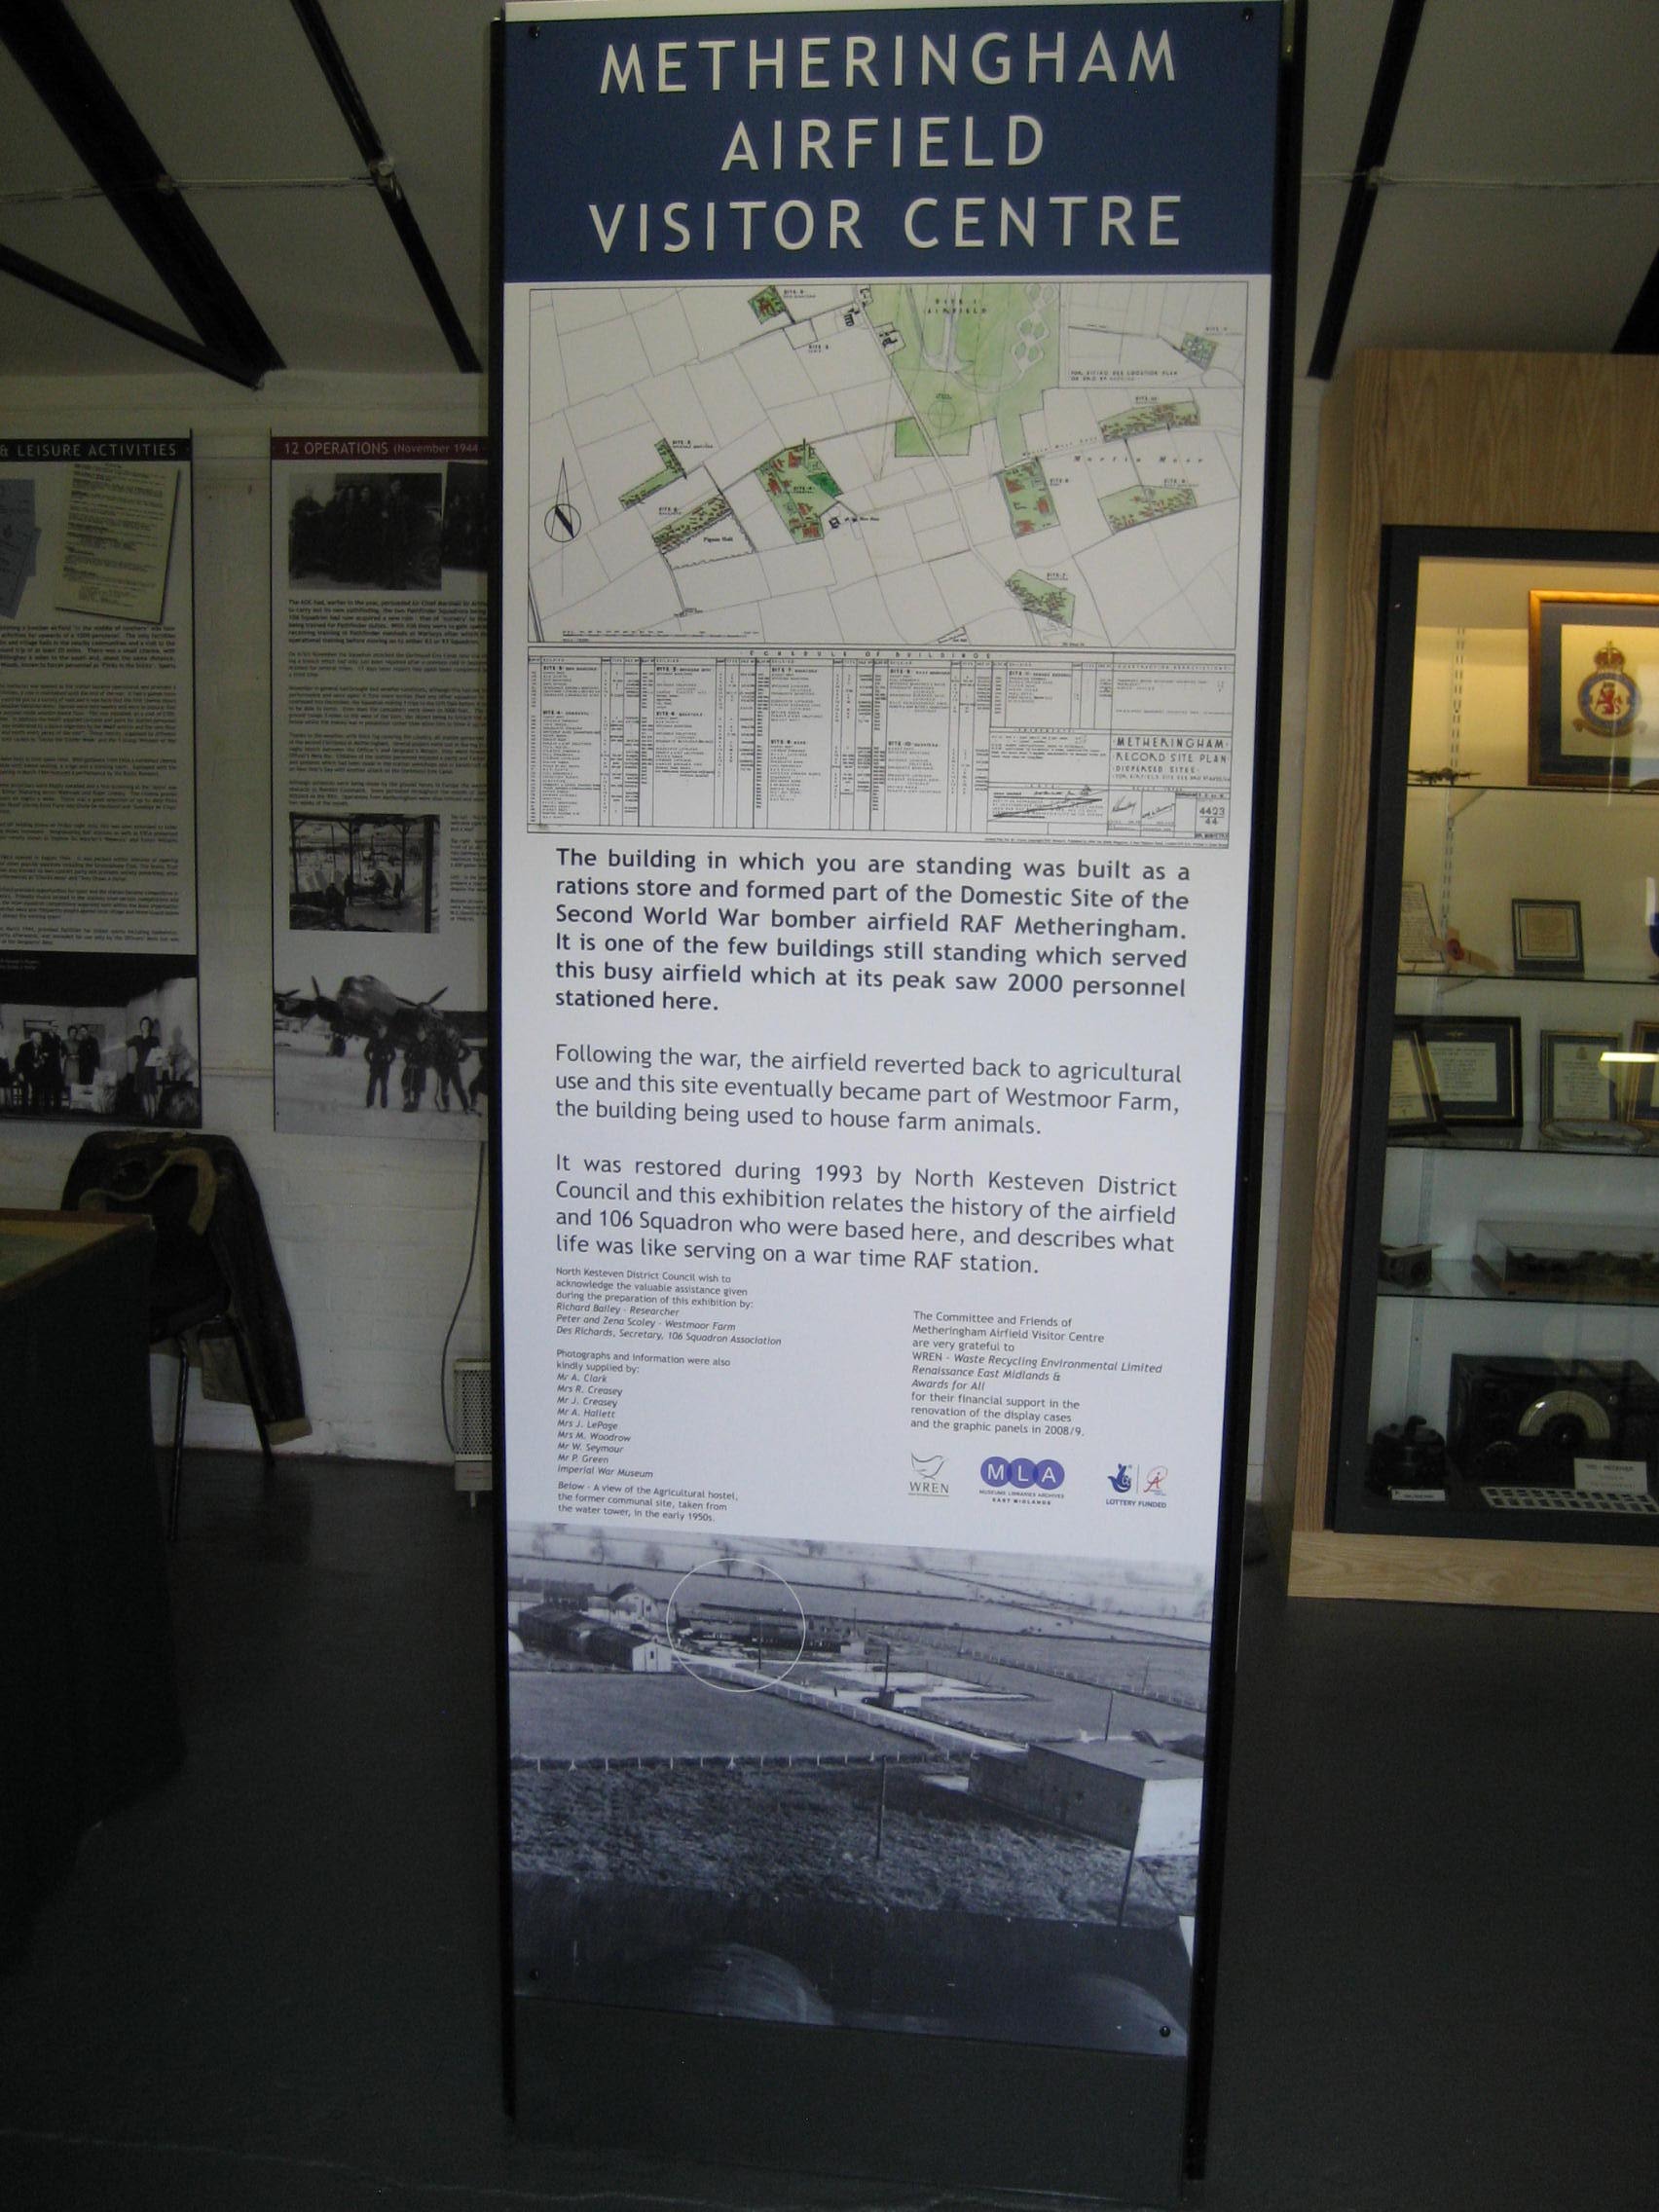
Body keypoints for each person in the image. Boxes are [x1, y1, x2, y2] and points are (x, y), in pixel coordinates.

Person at [364, 1025, 395, 1109]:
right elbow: (366, 1052)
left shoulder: (388, 1041)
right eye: (380, 1030)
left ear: (386, 1031)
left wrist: (388, 1062)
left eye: (383, 1030)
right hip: (375, 1066)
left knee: (384, 1086)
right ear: (378, 1031)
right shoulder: (373, 1040)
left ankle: (384, 1104)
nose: (382, 1032)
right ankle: (369, 1103)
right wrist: (370, 1062)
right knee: (372, 1085)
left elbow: (393, 1054)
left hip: (384, 1068)